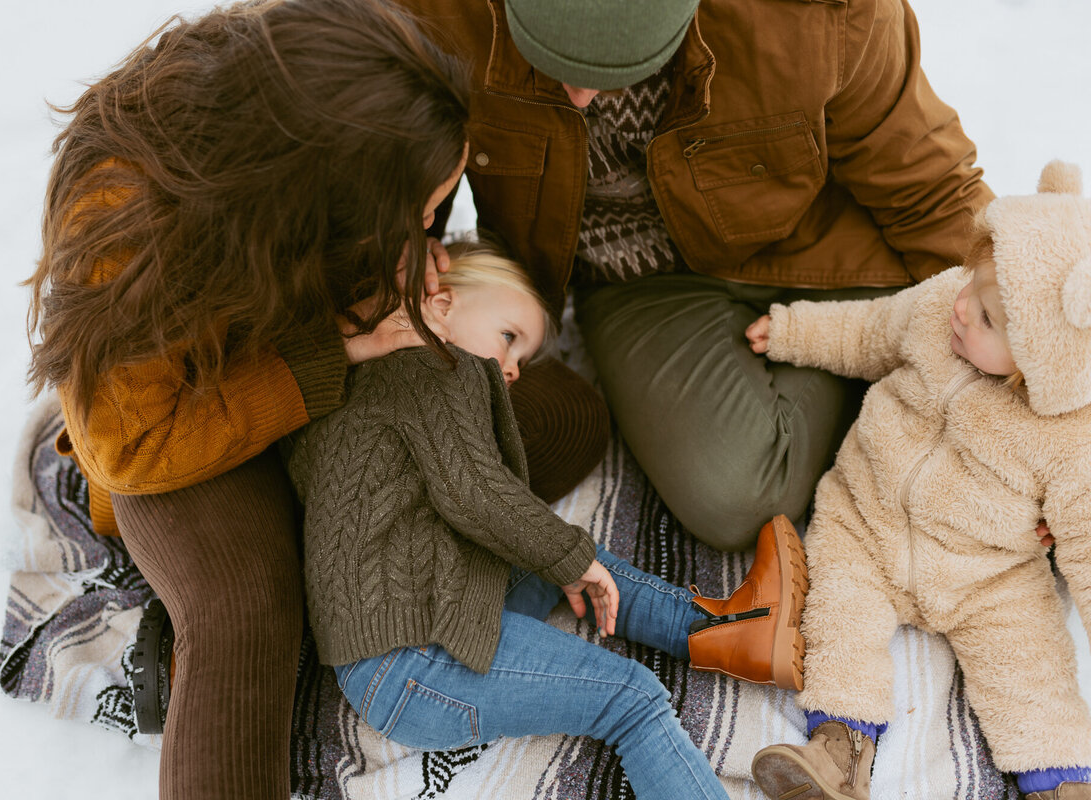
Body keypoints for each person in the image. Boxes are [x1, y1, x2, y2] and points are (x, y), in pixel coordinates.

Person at [22, 1, 476, 796]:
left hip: (302, 347)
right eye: (422, 208)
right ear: (323, 197)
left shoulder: (345, 103)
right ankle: (195, 625)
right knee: (247, 612)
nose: (435, 222)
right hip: (177, 435)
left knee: (542, 422)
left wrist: (417, 261)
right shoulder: (124, 215)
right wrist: (328, 353)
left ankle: (297, 560)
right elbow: (128, 447)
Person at [398, 0, 995, 558]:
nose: (580, 97)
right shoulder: (431, 14)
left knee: (998, 384)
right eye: (548, 59)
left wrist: (1024, 341)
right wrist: (402, 254)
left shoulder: (825, 13)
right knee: (734, 497)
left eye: (619, 63)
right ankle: (883, 367)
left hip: (833, 254)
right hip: (642, 283)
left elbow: (934, 189)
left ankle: (880, 350)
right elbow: (390, 165)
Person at [284, 239, 809, 799]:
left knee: (552, 561)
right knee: (630, 695)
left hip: (397, 654)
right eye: (510, 338)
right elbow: (479, 494)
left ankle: (728, 633)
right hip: (416, 663)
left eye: (522, 359)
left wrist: (562, 559)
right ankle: (724, 634)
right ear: (440, 304)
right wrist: (569, 556)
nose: (511, 369)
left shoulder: (357, 385)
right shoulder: (433, 369)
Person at [743, 161, 1091, 800]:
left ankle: (1063, 782)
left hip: (986, 573)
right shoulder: (939, 307)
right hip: (864, 522)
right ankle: (838, 753)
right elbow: (868, 329)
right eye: (971, 284)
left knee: (1030, 666)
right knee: (837, 620)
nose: (961, 307)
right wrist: (794, 330)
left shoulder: (1071, 434)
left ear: (1039, 361)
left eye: (986, 317)